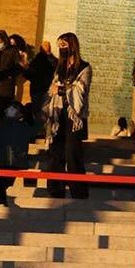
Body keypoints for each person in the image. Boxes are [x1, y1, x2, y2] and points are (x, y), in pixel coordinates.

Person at [41, 32, 91, 200]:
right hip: (57, 114)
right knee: (56, 153)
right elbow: (51, 88)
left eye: (64, 45)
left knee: (72, 153)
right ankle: (55, 189)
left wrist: (61, 90)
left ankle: (79, 191)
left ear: (72, 46)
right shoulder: (59, 67)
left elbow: (80, 90)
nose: (61, 49)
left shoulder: (84, 67)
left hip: (74, 116)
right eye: (59, 46)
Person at [0, 101, 36, 206]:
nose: (11, 111)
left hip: (14, 158)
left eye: (14, 109)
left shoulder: (24, 126)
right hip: (1, 158)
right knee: (1, 179)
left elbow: (33, 132)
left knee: (7, 180)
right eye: (10, 108)